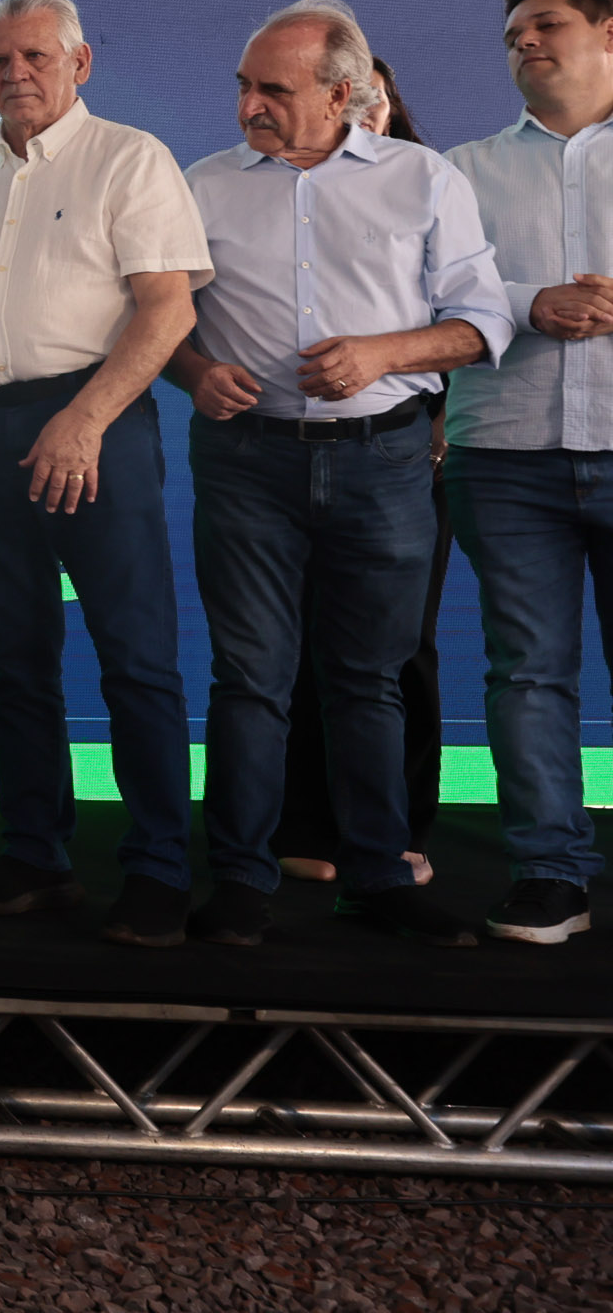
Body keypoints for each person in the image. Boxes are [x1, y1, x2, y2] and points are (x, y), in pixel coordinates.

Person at [169, 0, 506, 950]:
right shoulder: (202, 185)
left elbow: (482, 323)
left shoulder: (424, 178)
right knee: (249, 679)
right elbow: (155, 322)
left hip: (384, 459)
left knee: (369, 681)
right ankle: (241, 880)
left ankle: (377, 876)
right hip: (246, 462)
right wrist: (194, 372)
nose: (250, 106)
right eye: (244, 86)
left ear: (343, 93)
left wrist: (381, 354)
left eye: (274, 90)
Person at [0, 0, 207, 947]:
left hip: (99, 425)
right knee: (14, 662)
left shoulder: (130, 158)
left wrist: (84, 419)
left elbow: (168, 310)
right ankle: (35, 858)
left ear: (80, 63)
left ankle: (159, 867)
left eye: (36, 57)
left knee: (136, 659)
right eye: (0, 61)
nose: (17, 74)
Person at [445, 0, 613, 947]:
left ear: (608, 35)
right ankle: (551, 874)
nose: (525, 42)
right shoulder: (461, 171)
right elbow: (423, 292)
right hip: (506, 458)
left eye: (546, 24)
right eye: (513, 33)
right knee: (527, 674)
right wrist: (527, 304)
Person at [277, 57, 446, 886]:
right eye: (343, 95)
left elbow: (472, 315)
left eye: (372, 97)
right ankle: (307, 822)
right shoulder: (276, 189)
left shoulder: (431, 183)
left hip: (410, 448)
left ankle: (400, 827)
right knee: (301, 642)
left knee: (398, 649)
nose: (358, 111)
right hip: (289, 455)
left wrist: (444, 419)